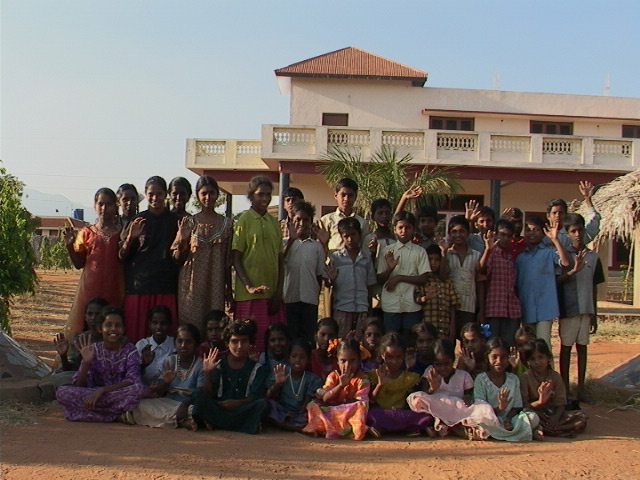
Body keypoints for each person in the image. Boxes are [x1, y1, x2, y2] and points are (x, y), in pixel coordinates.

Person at [56, 306, 144, 422]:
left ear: (123, 329)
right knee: (62, 392)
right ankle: (116, 416)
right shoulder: (93, 350)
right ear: (100, 328)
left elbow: (132, 381)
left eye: (118, 326)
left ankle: (90, 413)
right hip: (94, 395)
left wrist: (102, 390)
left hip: (117, 393)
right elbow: (79, 384)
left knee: (138, 389)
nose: (113, 329)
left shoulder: (130, 350)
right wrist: (86, 363)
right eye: (108, 325)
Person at [119, 176, 179, 343]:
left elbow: (179, 257)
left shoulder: (175, 221)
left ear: (166, 194)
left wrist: (181, 241)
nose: (155, 198)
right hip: (139, 287)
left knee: (165, 340)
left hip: (165, 286)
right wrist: (130, 238)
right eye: (151, 194)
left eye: (159, 194)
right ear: (145, 194)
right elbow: (121, 256)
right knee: (136, 338)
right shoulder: (137, 221)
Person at [171, 176, 232, 337]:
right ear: (197, 195)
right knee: (190, 327)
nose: (208, 197)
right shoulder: (188, 222)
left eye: (212, 193)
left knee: (215, 326)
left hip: (216, 284)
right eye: (204, 193)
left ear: (218, 194)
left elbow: (227, 261)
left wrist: (229, 291)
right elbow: (177, 257)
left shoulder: (227, 224)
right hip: (191, 283)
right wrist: (183, 239)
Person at [232, 176, 285, 351]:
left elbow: (280, 260)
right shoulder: (243, 220)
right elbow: (236, 257)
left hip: (271, 296)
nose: (264, 199)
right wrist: (248, 286)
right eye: (260, 194)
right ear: (251, 196)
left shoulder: (273, 223)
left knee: (273, 344)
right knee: (250, 344)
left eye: (268, 195)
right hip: (249, 296)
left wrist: (278, 292)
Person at [63, 188, 124, 339]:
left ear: (116, 206)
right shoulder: (86, 232)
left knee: (111, 327)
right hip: (90, 288)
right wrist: (69, 246)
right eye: (100, 204)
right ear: (95, 206)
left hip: (114, 288)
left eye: (109, 204)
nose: (104, 208)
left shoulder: (122, 233)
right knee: (87, 327)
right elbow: (79, 264)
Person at [406, 339, 496, 439]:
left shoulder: (463, 375)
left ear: (453, 361)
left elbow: (469, 394)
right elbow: (424, 394)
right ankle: (448, 426)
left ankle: (451, 427)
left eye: (446, 364)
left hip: (458, 410)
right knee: (416, 397)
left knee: (484, 407)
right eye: (438, 364)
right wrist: (432, 389)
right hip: (437, 409)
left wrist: (468, 397)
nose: (443, 368)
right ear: (433, 363)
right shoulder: (430, 372)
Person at [557, 213, 605, 401]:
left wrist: (595, 312)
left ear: (585, 231)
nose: (577, 234)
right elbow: (558, 280)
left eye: (580, 230)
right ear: (567, 234)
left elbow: (594, 285)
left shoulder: (593, 257)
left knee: (582, 347)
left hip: (586, 309)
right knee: (566, 348)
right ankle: (565, 387)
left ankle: (582, 388)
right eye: (573, 231)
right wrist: (572, 271)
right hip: (568, 309)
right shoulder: (563, 255)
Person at [191, 319, 269, 434]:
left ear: (250, 343)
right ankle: (241, 426)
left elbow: (256, 397)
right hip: (220, 408)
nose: (239, 346)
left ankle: (218, 424)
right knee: (198, 396)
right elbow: (208, 394)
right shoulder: (218, 364)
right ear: (227, 343)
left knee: (264, 404)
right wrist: (207, 372)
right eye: (234, 341)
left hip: (242, 409)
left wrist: (237, 403)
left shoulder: (257, 368)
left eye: (244, 341)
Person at [130, 323, 204, 428]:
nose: (183, 345)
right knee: (140, 405)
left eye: (188, 342)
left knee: (198, 410)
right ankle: (182, 422)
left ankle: (175, 420)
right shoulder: (170, 360)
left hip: (189, 404)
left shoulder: (200, 365)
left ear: (196, 345)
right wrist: (165, 382)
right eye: (180, 341)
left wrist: (184, 405)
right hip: (168, 402)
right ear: (175, 343)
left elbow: (200, 394)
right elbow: (160, 391)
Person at [516, 216, 570, 346]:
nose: (532, 233)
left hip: (545, 308)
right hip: (526, 306)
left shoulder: (549, 252)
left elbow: (565, 262)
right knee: (528, 345)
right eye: (528, 230)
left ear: (542, 233)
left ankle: (548, 367)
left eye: (536, 230)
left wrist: (555, 239)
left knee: (543, 344)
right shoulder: (520, 257)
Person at [302, 339, 371, 440]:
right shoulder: (334, 376)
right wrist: (340, 385)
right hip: (332, 410)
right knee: (313, 405)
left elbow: (360, 402)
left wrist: (341, 407)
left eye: (352, 361)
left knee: (360, 408)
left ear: (359, 360)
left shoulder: (362, 379)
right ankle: (328, 428)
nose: (347, 366)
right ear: (337, 361)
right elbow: (325, 398)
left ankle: (341, 430)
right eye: (343, 361)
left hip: (349, 413)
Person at [473, 337, 540, 441]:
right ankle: (520, 433)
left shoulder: (513, 379)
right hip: (490, 419)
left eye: (503, 357)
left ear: (508, 359)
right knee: (480, 421)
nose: (499, 361)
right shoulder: (481, 379)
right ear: (487, 358)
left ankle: (502, 432)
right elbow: (480, 409)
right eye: (494, 357)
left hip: (509, 420)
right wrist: (499, 408)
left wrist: (507, 420)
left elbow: (516, 407)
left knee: (532, 417)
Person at [367, 333, 432, 435]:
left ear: (404, 356)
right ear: (382, 355)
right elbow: (370, 401)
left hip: (401, 412)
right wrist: (379, 385)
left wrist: (409, 369)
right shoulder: (374, 375)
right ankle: (407, 428)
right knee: (372, 414)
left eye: (398, 357)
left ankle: (386, 428)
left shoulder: (409, 377)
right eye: (390, 357)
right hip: (383, 412)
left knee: (424, 415)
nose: (394, 361)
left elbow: (414, 399)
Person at [377, 211, 430, 335]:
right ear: (394, 229)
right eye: (400, 227)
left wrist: (399, 278)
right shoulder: (387, 251)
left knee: (410, 341)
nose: (404, 231)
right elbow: (379, 279)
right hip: (391, 304)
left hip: (412, 304)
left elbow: (424, 278)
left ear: (413, 229)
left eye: (408, 227)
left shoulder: (420, 251)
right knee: (391, 339)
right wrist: (390, 269)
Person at [520, 339, 587, 437]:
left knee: (581, 417)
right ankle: (556, 430)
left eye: (541, 357)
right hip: (536, 412)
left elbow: (561, 403)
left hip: (554, 413)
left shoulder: (555, 377)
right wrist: (539, 402)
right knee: (526, 416)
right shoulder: (525, 377)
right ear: (528, 362)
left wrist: (555, 417)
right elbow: (524, 405)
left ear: (548, 358)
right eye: (533, 359)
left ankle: (548, 429)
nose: (537, 362)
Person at [326, 217, 377, 340]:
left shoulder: (366, 258)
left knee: (360, 345)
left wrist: (369, 309)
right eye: (346, 236)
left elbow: (370, 285)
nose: (350, 239)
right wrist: (331, 280)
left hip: (362, 308)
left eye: (353, 234)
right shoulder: (336, 258)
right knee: (341, 343)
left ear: (359, 235)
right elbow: (328, 285)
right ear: (341, 237)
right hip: (342, 308)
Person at [283, 201, 325, 344]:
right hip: (289, 298)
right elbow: (280, 262)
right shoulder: (284, 244)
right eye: (298, 219)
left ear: (311, 222)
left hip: (309, 299)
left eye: (306, 220)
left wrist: (315, 293)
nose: (302, 223)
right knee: (291, 336)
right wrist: (290, 241)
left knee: (307, 339)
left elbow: (319, 274)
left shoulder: (317, 246)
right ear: (292, 221)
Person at [478, 219, 521, 347]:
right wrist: (488, 250)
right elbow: (481, 269)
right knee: (492, 346)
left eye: (509, 236)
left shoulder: (510, 258)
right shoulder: (491, 254)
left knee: (508, 346)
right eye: (502, 234)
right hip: (494, 309)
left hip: (511, 310)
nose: (506, 238)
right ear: (496, 235)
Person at [266, 339, 322, 431]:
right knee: (269, 405)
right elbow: (268, 395)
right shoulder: (282, 372)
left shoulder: (312, 379)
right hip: (283, 412)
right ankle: (296, 428)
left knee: (316, 407)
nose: (297, 360)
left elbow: (307, 402)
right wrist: (277, 384)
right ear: (288, 358)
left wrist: (300, 413)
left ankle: (292, 426)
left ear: (308, 359)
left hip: (301, 414)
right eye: (294, 356)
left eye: (302, 357)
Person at [52, 297, 109, 387]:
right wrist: (63, 355)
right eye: (90, 314)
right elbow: (71, 368)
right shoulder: (79, 338)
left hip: (108, 381)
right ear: (85, 317)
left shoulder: (113, 338)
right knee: (59, 375)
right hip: (83, 379)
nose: (93, 318)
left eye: (97, 314)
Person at [444, 216, 483, 335]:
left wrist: (481, 309)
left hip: (468, 307)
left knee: (467, 341)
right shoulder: (447, 254)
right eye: (454, 232)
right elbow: (442, 276)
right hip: (448, 307)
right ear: (449, 234)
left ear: (468, 233)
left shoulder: (476, 255)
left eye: (462, 231)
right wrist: (443, 253)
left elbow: (479, 282)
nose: (458, 235)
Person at [415, 244, 459, 339]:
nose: (433, 263)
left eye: (437, 260)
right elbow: (417, 299)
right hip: (427, 328)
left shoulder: (447, 282)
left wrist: (452, 326)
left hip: (444, 327)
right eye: (430, 259)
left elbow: (453, 306)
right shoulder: (423, 280)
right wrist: (426, 298)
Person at [545, 180, 600, 248]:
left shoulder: (574, 234)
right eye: (554, 213)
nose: (558, 215)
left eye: (561, 213)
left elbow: (593, 224)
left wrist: (587, 199)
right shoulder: (543, 236)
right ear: (548, 216)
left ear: (566, 214)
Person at [135, 305, 176, 386]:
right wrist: (144, 364)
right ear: (149, 324)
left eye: (163, 323)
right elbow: (132, 373)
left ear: (169, 324)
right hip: (143, 389)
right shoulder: (141, 345)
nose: (159, 327)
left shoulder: (174, 345)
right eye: (155, 323)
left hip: (167, 390)